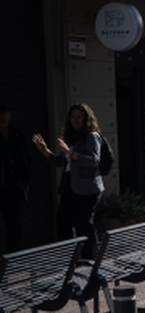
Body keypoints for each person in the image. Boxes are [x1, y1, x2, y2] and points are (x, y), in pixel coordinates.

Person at [32, 103, 104, 259]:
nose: (75, 120)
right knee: (63, 222)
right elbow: (61, 162)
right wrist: (45, 151)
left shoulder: (91, 136)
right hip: (69, 186)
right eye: (72, 117)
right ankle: (72, 258)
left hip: (88, 188)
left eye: (79, 117)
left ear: (86, 118)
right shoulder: (71, 137)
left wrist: (70, 153)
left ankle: (92, 259)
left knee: (83, 223)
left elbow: (93, 160)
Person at [0, 101, 32, 253]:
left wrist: (24, 185)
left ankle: (13, 263)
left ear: (9, 116)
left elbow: (27, 162)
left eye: (3, 114)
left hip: (14, 190)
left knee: (15, 228)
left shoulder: (18, 137)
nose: (1, 118)